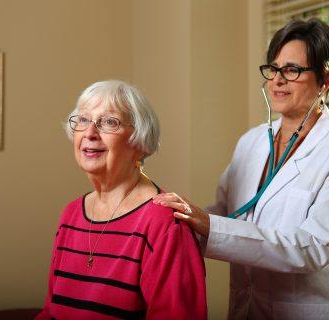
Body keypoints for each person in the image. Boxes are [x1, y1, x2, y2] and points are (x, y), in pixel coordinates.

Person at [153, 18, 329, 319]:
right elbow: (222, 213)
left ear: (327, 80)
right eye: (274, 68)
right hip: (247, 307)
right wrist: (168, 221)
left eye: (292, 70)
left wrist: (208, 224)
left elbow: (314, 246)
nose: (277, 80)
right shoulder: (251, 141)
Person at [36, 80, 207, 319]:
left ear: (139, 141)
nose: (90, 133)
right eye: (83, 120)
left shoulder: (165, 222)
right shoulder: (72, 213)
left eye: (109, 122)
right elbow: (50, 311)